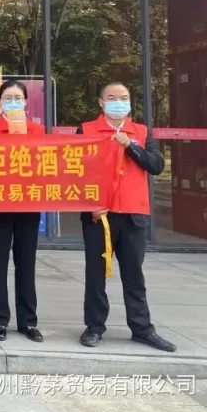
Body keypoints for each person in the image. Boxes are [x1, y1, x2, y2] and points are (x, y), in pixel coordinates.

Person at [77, 82, 176, 352]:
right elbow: (76, 171)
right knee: (96, 275)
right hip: (99, 216)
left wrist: (131, 146)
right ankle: (94, 327)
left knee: (134, 276)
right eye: (112, 98)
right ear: (101, 102)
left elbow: (156, 165)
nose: (118, 102)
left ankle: (142, 328)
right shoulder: (87, 130)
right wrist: (89, 204)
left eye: (123, 98)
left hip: (134, 214)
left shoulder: (141, 132)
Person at [0, 79, 44, 343]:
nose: (13, 102)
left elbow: (47, 164)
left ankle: (28, 321)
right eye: (8, 98)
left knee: (26, 263)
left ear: (26, 102)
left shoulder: (38, 130)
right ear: (0, 102)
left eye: (18, 97)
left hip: (28, 202)